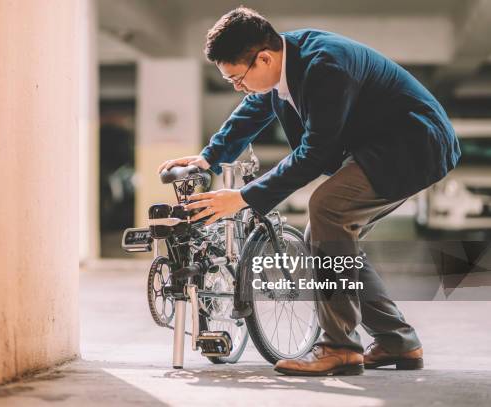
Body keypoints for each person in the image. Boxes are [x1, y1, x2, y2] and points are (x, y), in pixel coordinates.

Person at [157, 7, 460, 376]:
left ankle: (340, 349)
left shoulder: (325, 67)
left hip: (414, 143)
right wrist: (210, 158)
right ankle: (397, 341)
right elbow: (255, 107)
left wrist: (241, 198)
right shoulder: (285, 65)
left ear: (263, 58)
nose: (237, 87)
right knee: (325, 234)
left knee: (328, 208)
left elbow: (313, 155)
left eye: (237, 78)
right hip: (383, 146)